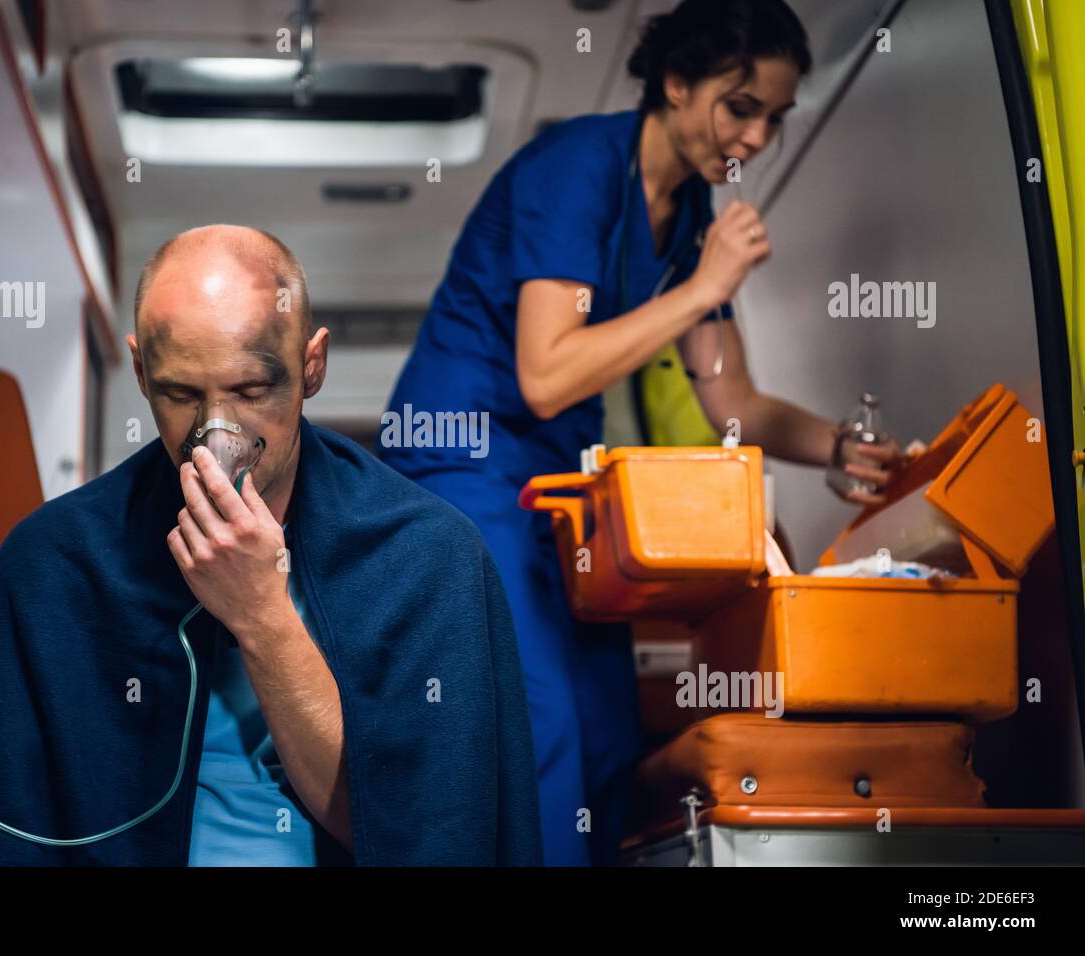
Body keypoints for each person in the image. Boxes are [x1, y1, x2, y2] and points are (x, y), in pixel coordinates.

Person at [377, 0, 901, 866]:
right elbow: (546, 376)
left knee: (610, 729)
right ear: (676, 83)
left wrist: (837, 448)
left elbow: (733, 397)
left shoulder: (693, 214)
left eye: (776, 116)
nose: (761, 137)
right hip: (465, 462)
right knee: (541, 721)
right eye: (742, 108)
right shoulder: (577, 168)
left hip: (553, 478)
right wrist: (702, 287)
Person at [0, 225, 541, 866]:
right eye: (182, 394)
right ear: (139, 371)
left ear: (312, 366)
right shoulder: (56, 561)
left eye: (250, 392)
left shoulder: (426, 554)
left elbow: (414, 835)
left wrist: (262, 615)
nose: (217, 436)